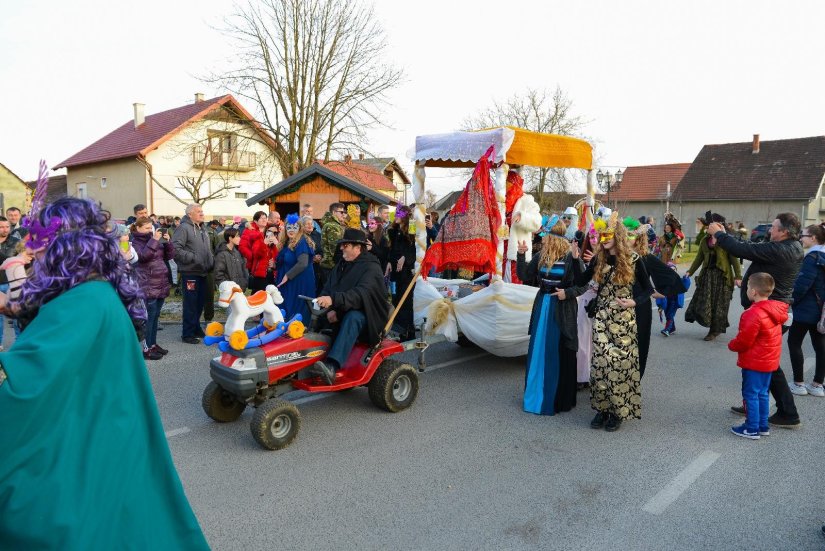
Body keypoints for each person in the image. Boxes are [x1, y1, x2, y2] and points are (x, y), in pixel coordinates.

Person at [0, 197, 208, 549]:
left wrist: (17, 280)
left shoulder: (81, 303)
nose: (32, 253)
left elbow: (27, 388)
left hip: (83, 466)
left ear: (66, 248)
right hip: (105, 447)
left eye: (40, 244)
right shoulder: (90, 292)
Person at [708, 213, 804, 429]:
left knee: (767, 364)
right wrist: (726, 233)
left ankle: (788, 413)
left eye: (775, 227)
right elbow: (748, 245)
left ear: (785, 232)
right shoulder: (788, 246)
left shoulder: (782, 250)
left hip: (768, 313)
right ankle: (753, 404)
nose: (770, 230)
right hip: (772, 311)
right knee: (764, 363)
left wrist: (720, 236)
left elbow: (746, 250)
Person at [575, 214, 652, 432]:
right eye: (601, 235)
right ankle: (602, 409)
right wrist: (574, 259)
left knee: (619, 365)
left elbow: (648, 290)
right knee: (601, 365)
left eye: (607, 234)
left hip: (624, 321)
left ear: (617, 235)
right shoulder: (598, 260)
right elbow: (580, 281)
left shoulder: (634, 259)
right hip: (601, 319)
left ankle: (618, 412)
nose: (603, 238)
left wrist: (634, 301)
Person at [517, 217, 585, 415]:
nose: (542, 238)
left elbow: (583, 284)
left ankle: (557, 399)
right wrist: (521, 255)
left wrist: (567, 293)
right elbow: (524, 275)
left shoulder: (571, 257)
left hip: (562, 309)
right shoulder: (540, 256)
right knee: (539, 350)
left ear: (552, 237)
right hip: (543, 308)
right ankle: (537, 393)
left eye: (544, 235)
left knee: (559, 351)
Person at [310, 228, 390, 384]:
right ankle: (307, 358)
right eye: (342, 245)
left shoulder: (371, 267)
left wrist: (334, 302)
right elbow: (328, 287)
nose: (341, 248)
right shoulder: (342, 264)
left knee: (353, 317)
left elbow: (360, 295)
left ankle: (332, 365)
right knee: (316, 314)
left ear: (357, 248)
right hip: (343, 309)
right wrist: (328, 307)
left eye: (345, 245)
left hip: (370, 317)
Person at [727, 273, 788, 439]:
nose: (746, 290)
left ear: (753, 292)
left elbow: (745, 340)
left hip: (754, 362)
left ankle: (751, 427)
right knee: (762, 393)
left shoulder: (752, 314)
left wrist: (732, 345)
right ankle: (762, 425)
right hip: (769, 361)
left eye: (747, 287)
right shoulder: (775, 310)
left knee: (750, 394)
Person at [623, 217, 685, 376]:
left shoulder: (644, 257)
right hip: (620, 306)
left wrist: (656, 291)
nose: (626, 238)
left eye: (630, 235)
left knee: (639, 344)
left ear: (638, 238)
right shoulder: (617, 256)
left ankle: (635, 378)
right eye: (624, 234)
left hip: (640, 306)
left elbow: (670, 277)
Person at [684, 218, 742, 341]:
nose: (708, 228)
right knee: (706, 303)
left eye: (712, 227)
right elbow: (699, 258)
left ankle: (714, 330)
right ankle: (709, 323)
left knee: (720, 304)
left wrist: (738, 276)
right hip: (708, 276)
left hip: (722, 277)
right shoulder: (705, 241)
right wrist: (690, 271)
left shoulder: (726, 241)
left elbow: (734, 260)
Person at [787, 223, 825, 397]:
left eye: (803, 235)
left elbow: (802, 286)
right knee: (820, 347)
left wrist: (791, 301)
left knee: (794, 343)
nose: (801, 238)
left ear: (814, 238)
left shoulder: (812, 258)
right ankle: (817, 384)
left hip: (806, 310)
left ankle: (798, 383)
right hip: (822, 311)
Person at [130, 216, 174, 360]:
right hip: (147, 283)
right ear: (138, 228)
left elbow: (170, 256)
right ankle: (146, 348)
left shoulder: (154, 239)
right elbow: (143, 257)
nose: (150, 230)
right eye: (147, 228)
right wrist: (154, 240)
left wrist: (167, 242)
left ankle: (153, 343)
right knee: (148, 318)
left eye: (151, 227)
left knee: (155, 317)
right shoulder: (135, 242)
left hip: (160, 282)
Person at [171, 203, 214, 345]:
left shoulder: (203, 228)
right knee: (190, 303)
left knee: (200, 302)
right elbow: (175, 249)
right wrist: (193, 258)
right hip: (190, 272)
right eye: (199, 211)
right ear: (190, 214)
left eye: (202, 211)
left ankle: (195, 327)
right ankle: (187, 333)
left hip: (203, 271)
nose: (202, 214)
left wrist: (210, 260)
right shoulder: (183, 228)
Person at [275, 214, 316, 322]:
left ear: (300, 228)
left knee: (296, 310)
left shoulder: (301, 242)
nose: (291, 230)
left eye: (295, 227)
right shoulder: (287, 242)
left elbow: (303, 263)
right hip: (289, 282)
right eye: (289, 227)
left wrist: (287, 276)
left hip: (298, 282)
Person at [388, 205, 417, 341]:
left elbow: (413, 248)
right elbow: (392, 249)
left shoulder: (411, 227)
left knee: (406, 302)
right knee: (397, 300)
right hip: (396, 272)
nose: (396, 217)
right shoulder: (394, 231)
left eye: (399, 214)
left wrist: (405, 258)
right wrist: (389, 262)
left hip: (406, 272)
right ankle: (401, 330)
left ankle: (408, 331)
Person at [239, 210, 278, 293]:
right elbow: (242, 247)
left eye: (265, 218)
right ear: (255, 221)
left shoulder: (270, 229)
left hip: (270, 266)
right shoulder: (250, 230)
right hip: (256, 264)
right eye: (261, 218)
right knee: (259, 291)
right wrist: (253, 258)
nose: (264, 220)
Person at [655, 262, 690, 336]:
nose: (673, 271)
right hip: (666, 302)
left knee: (670, 315)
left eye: (674, 270)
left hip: (675, 301)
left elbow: (685, 287)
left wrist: (686, 278)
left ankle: (667, 330)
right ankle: (672, 328)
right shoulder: (664, 282)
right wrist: (660, 305)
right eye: (670, 270)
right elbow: (660, 294)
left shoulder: (679, 280)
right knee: (668, 314)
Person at [0, 216, 20, 345]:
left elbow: (21, 259)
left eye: (7, 226)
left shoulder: (16, 241)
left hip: (11, 283)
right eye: (1, 227)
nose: (5, 229)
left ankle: (20, 344)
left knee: (17, 316)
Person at [319, 202, 347, 288]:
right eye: (341, 212)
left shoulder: (335, 225)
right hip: (331, 265)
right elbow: (335, 248)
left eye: (344, 212)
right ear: (334, 213)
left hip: (330, 265)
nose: (344, 214)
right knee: (332, 292)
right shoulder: (332, 226)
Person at [214, 227, 248, 291]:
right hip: (229, 292)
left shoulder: (237, 253)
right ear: (230, 238)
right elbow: (218, 274)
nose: (239, 238)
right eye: (237, 236)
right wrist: (227, 287)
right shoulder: (221, 254)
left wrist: (244, 283)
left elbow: (243, 269)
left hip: (239, 290)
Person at [302, 215, 323, 295]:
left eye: (311, 223)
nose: (310, 225)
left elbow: (322, 248)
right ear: (302, 226)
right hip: (305, 267)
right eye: (307, 224)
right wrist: (312, 258)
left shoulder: (318, 235)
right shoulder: (300, 236)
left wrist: (320, 256)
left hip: (318, 267)